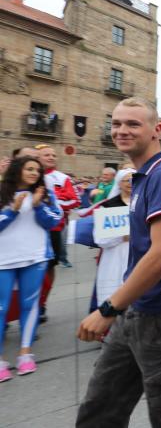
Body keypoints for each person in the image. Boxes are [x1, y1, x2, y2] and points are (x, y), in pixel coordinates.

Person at [76, 97, 161, 427]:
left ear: (157, 129)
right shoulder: (142, 176)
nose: (122, 130)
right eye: (116, 124)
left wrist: (108, 308)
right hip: (137, 311)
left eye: (133, 124)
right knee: (100, 408)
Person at [0, 156, 62, 382]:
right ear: (17, 170)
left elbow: (54, 221)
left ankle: (25, 353)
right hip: (3, 260)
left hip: (35, 258)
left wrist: (37, 206)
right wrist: (12, 211)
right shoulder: (2, 192)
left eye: (37, 170)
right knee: (1, 307)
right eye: (29, 168)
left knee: (29, 305)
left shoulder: (44, 193)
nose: (35, 173)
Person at [91, 169, 135, 313]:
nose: (130, 183)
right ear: (119, 183)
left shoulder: (144, 203)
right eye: (126, 180)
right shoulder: (108, 205)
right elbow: (100, 238)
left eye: (133, 180)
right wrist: (122, 237)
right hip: (115, 257)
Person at [37, 145, 79, 268]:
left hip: (56, 225)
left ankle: (63, 259)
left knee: (52, 262)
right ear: (38, 158)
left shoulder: (63, 178)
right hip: (33, 225)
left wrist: (52, 204)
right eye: (47, 155)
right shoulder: (30, 175)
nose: (51, 158)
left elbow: (75, 200)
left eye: (54, 155)